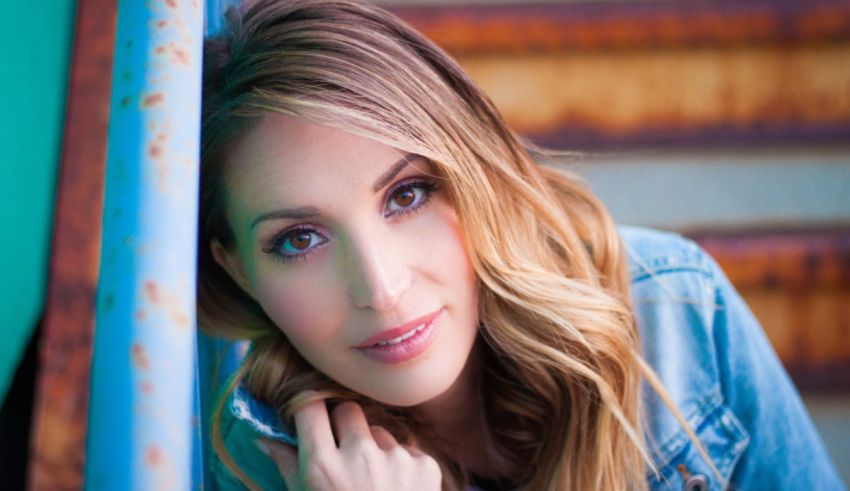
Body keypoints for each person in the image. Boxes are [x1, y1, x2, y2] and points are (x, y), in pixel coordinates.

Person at [198, 0, 845, 489]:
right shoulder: (261, 460)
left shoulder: (675, 319)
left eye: (407, 194)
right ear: (237, 267)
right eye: (300, 239)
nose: (382, 287)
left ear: (473, 174)